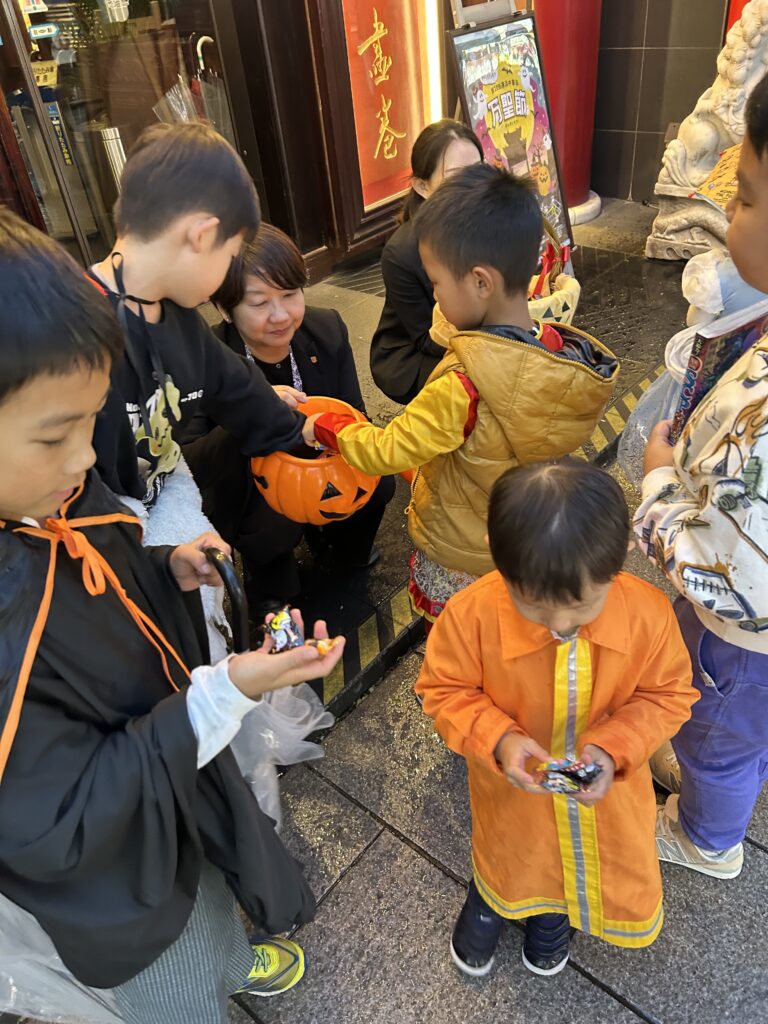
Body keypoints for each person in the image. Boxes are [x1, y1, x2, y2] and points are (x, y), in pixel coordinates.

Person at [0, 208, 345, 1023]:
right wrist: (219, 697)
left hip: (173, 788)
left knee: (215, 897)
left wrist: (166, 571)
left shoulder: (48, 493)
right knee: (180, 983)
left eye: (90, 423)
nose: (87, 458)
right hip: (128, 885)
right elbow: (59, 824)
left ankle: (234, 959)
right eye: (56, 435)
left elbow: (102, 583)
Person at [303, 164, 619, 627]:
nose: (434, 296)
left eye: (436, 283)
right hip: (515, 542)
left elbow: (387, 450)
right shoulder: (554, 351)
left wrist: (329, 428)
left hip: (459, 549)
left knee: (458, 640)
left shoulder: (462, 386)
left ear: (480, 283)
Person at [416, 460, 697, 978]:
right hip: (512, 792)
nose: (560, 625)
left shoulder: (648, 615)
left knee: (565, 868)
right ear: (497, 554)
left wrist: (614, 748)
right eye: (534, 606)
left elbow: (669, 694)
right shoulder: (471, 616)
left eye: (581, 606)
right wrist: (499, 739)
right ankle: (490, 902)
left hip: (606, 796)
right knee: (511, 855)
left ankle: (551, 919)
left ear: (620, 557)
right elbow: (443, 689)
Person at [637, 70, 768, 880]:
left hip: (743, 641)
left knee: (720, 737)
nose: (728, 212)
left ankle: (706, 839)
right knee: (742, 728)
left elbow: (732, 569)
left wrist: (658, 485)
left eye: (745, 196)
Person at [87, 121, 306, 511]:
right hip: (97, 528)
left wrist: (306, 433)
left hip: (165, 501)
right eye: (231, 255)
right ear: (202, 236)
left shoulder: (181, 318)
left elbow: (240, 388)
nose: (226, 273)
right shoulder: (72, 328)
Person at [182, 225, 395, 616]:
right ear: (224, 309)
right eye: (259, 302)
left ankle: (340, 545)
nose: (280, 316)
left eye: (290, 294)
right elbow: (190, 462)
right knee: (272, 529)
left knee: (378, 483)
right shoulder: (202, 360)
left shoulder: (326, 328)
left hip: (322, 462)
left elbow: (355, 413)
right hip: (250, 479)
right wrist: (251, 413)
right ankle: (268, 578)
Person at [370, 119, 483, 404]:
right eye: (456, 177)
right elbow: (424, 338)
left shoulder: (489, 223)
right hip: (413, 353)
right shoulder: (402, 253)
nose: (474, 186)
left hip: (476, 333)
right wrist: (490, 344)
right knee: (486, 381)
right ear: (422, 186)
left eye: (478, 171)